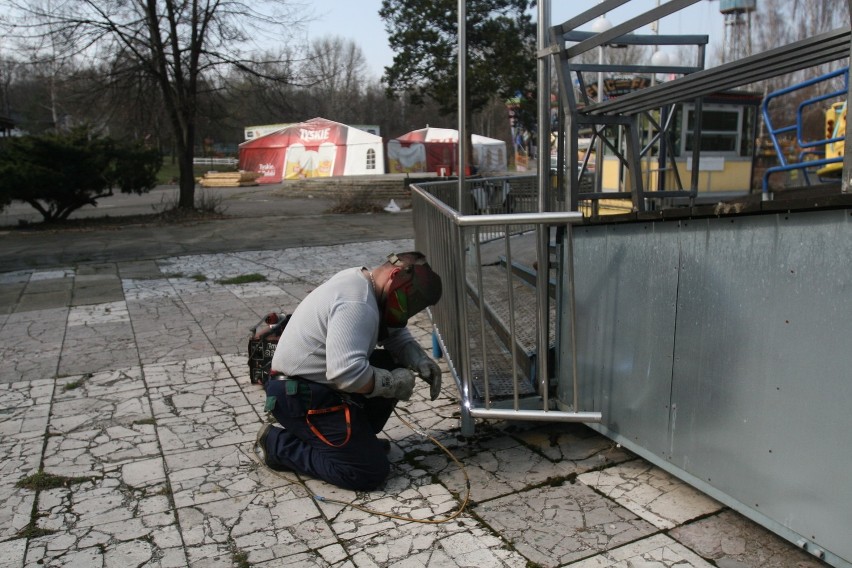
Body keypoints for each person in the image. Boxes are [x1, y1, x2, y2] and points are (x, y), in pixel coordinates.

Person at [255, 251, 443, 491]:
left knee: (391, 363)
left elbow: (393, 332)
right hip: (299, 394)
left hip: (316, 385)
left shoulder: (363, 282)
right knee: (366, 473)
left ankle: (356, 443)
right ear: (395, 275)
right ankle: (276, 445)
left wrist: (419, 359)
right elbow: (346, 374)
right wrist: (392, 383)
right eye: (407, 301)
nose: (405, 310)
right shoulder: (356, 302)